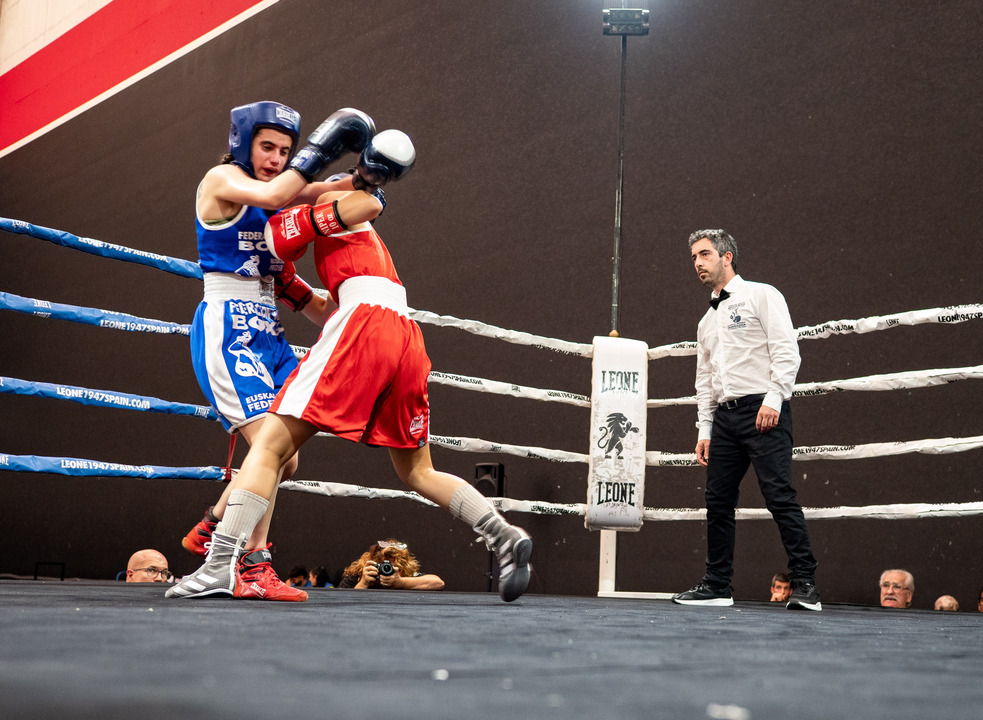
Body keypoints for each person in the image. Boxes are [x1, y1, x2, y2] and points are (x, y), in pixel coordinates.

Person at [167, 123, 532, 603]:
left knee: (271, 448)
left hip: (365, 323)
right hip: (404, 335)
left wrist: (354, 181)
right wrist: (290, 280)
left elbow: (341, 210)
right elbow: (318, 295)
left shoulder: (334, 204)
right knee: (417, 471)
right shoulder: (347, 234)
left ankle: (220, 564)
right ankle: (502, 533)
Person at [180, 102, 374, 603]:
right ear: (243, 143)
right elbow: (278, 191)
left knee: (284, 460)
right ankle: (251, 565)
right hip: (228, 327)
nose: (276, 158)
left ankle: (215, 523)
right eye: (267, 146)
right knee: (271, 448)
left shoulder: (280, 196)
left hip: (269, 329)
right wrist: (319, 151)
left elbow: (333, 191)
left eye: (286, 151)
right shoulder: (222, 180)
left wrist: (369, 174)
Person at [672, 229, 821, 612]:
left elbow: (786, 350)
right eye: (693, 257)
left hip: (762, 408)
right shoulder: (706, 322)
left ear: (727, 257)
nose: (698, 263)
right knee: (717, 501)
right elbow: (705, 380)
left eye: (704, 254)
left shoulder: (762, 295)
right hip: (724, 418)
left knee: (779, 495)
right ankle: (717, 585)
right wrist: (705, 429)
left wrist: (774, 398)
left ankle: (805, 583)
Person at [338, 539, 444, 590]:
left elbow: (438, 583)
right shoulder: (359, 576)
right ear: (372, 565)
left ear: (403, 569)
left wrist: (401, 583)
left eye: (392, 568)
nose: (387, 571)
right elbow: (341, 604)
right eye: (382, 567)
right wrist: (363, 584)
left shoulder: (406, 578)